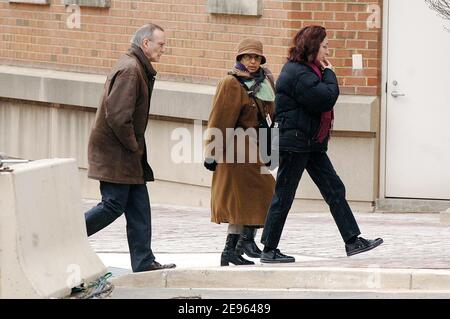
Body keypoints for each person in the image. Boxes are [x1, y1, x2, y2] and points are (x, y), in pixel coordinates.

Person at [260, 26, 383, 263]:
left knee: (334, 189)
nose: (328, 50)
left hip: (310, 142)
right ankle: (268, 249)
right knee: (284, 195)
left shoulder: (308, 70)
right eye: (325, 46)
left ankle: (352, 241)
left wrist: (325, 73)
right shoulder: (298, 72)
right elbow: (325, 98)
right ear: (313, 47)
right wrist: (330, 73)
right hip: (295, 143)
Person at [84, 24, 175, 272]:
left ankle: (144, 261)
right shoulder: (131, 70)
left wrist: (134, 149)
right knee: (113, 205)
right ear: (146, 44)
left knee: (138, 208)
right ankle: (67, 235)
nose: (164, 49)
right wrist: (133, 145)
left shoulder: (136, 67)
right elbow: (117, 116)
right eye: (161, 44)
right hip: (117, 153)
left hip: (126, 153)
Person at [204, 38, 276, 266]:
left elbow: (270, 115)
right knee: (262, 194)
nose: (253, 61)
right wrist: (211, 152)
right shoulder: (231, 83)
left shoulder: (266, 82)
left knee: (243, 203)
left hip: (255, 148)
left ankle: (231, 250)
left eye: (257, 57)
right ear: (240, 59)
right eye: (248, 57)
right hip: (235, 150)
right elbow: (219, 119)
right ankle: (244, 243)